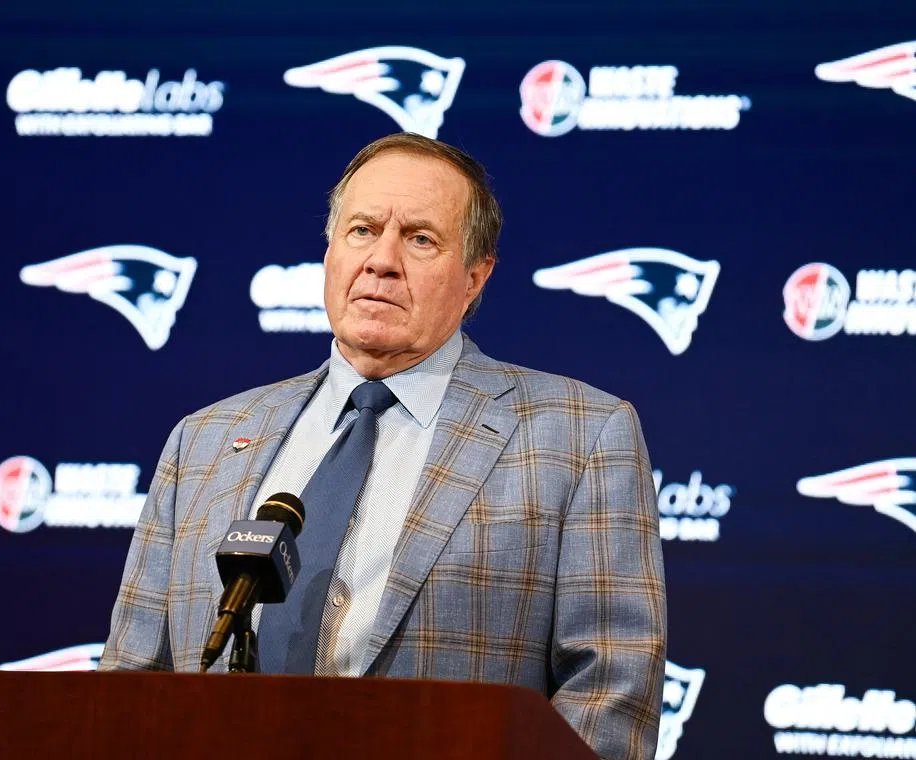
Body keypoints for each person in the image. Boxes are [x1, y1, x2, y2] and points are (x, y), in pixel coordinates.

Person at [100, 132, 667, 760]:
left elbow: (610, 693)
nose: (381, 260)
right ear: (330, 253)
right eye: (362, 230)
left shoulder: (581, 435)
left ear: (475, 276)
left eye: (420, 239)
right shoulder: (204, 441)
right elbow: (133, 683)